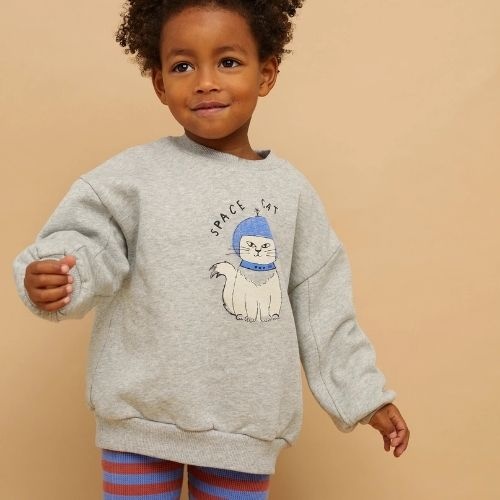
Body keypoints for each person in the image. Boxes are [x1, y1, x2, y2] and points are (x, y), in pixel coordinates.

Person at [12, 0, 410, 498]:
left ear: (266, 74)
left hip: (244, 426)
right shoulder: (133, 177)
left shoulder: (290, 193)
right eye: (183, 66)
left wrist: (366, 396)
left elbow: (323, 306)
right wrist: (62, 274)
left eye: (228, 61)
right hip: (139, 418)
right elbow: (88, 244)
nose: (205, 81)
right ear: (160, 83)